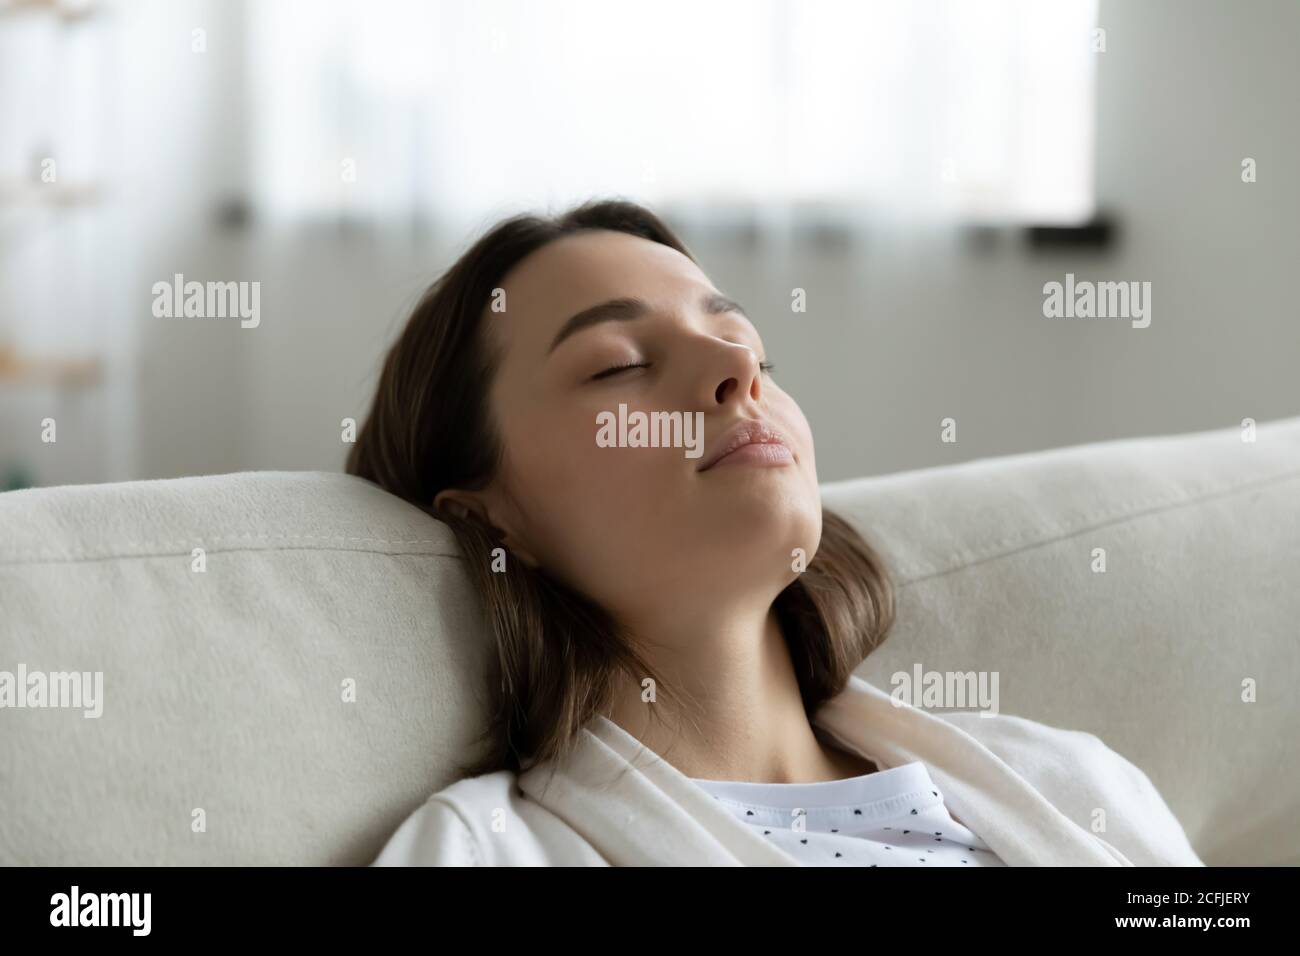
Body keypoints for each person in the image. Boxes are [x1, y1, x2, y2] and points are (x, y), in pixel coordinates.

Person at [347, 198, 1202, 867]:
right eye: (619, 364)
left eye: (742, 341)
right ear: (487, 518)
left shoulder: (1073, 784)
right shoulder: (480, 854)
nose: (738, 371)